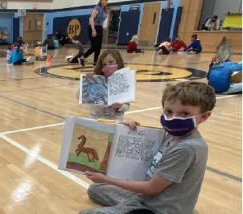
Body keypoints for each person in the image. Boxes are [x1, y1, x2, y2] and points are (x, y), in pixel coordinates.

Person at [80, 81, 216, 214]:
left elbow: (152, 188)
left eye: (184, 114)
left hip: (157, 208)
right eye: (168, 111)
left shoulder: (186, 148)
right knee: (95, 189)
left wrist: (106, 179)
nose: (173, 118)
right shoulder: (171, 136)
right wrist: (128, 128)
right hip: (146, 197)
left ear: (204, 117)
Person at [87, 49, 130, 121]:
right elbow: (79, 96)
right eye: (104, 64)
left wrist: (121, 106)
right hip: (95, 120)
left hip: (115, 121)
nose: (108, 66)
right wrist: (87, 82)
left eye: (111, 62)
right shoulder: (96, 79)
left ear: (118, 62)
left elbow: (127, 106)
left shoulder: (124, 81)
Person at [84, 0, 109, 66]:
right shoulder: (97, 8)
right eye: (105, 0)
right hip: (93, 27)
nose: (106, 2)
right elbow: (91, 19)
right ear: (101, 0)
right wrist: (93, 30)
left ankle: (95, 62)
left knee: (99, 47)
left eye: (107, 0)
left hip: (99, 28)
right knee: (94, 46)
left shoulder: (104, 10)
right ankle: (83, 56)